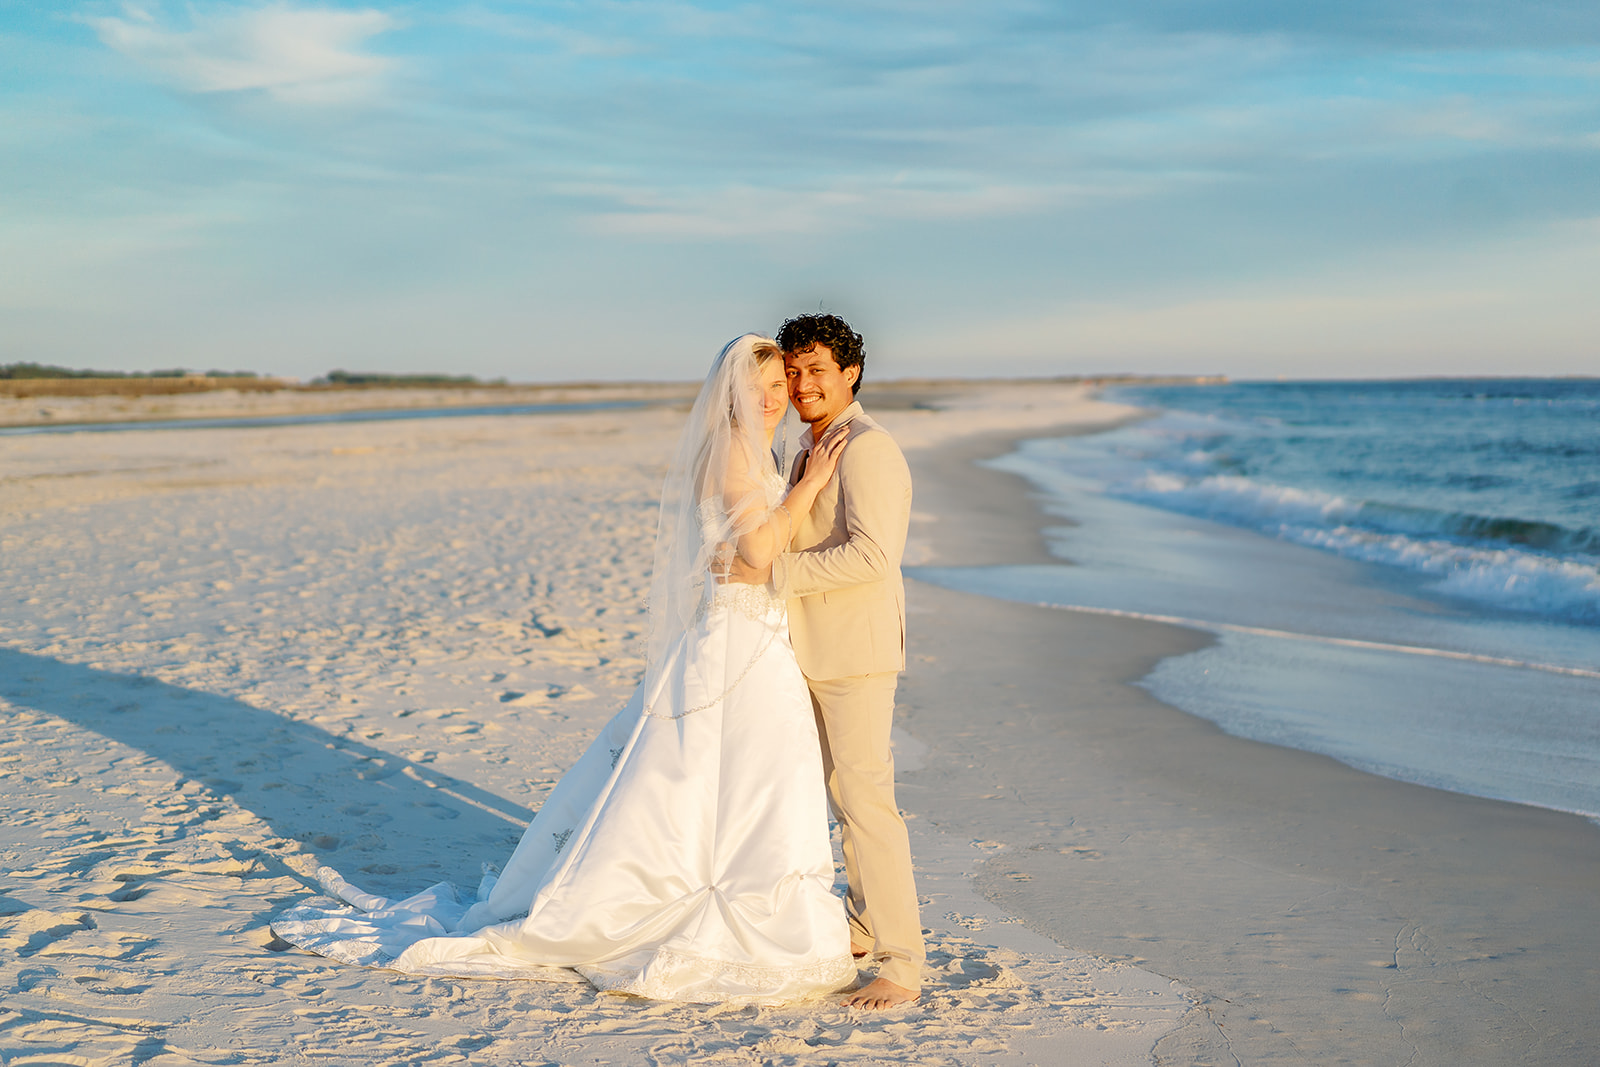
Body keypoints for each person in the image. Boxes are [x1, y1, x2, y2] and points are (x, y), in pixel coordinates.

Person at [271, 335, 857, 1003]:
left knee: (755, 780)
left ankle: (760, 900)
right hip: (734, 635)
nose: (773, 397)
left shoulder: (762, 452)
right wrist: (810, 486)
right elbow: (755, 548)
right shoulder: (729, 450)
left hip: (760, 634)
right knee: (715, 777)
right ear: (729, 395)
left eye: (779, 384)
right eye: (758, 387)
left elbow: (756, 550)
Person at [723, 313, 924, 1009]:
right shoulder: (806, 446)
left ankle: (903, 963)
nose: (803, 384)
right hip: (802, 646)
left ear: (851, 373)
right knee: (839, 798)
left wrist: (772, 576)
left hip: (855, 652)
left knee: (868, 805)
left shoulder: (869, 448)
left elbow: (874, 556)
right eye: (794, 371)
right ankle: (863, 928)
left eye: (817, 370)